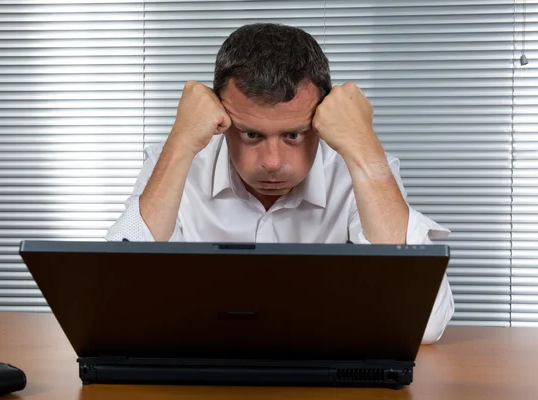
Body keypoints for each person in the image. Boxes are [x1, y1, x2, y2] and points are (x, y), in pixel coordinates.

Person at [105, 23, 454, 344]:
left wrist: (364, 148)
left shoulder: (358, 168)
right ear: (222, 117)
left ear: (321, 120)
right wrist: (180, 141)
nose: (272, 163)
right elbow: (115, 306)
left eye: (293, 134)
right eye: (251, 134)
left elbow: (424, 325)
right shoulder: (175, 163)